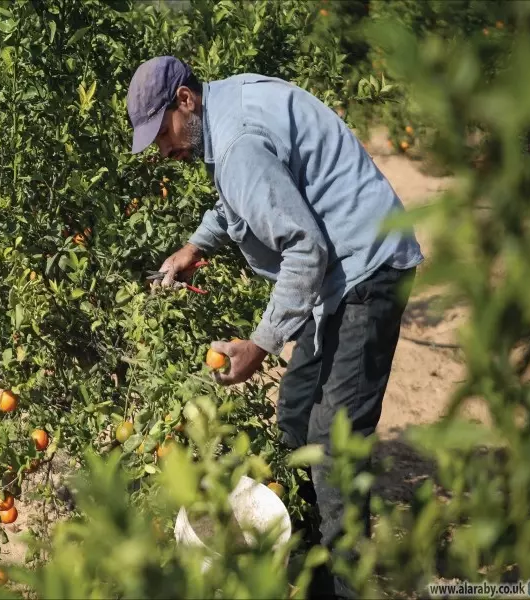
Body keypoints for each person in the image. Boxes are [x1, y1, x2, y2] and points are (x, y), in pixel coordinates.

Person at [126, 56, 424, 598]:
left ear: (184, 101)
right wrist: (197, 244)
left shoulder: (235, 143)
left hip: (367, 271)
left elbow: (305, 249)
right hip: (344, 271)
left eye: (161, 135)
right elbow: (241, 196)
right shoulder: (226, 107)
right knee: (295, 413)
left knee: (333, 443)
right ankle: (307, 567)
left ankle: (342, 585)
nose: (164, 152)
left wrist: (260, 344)